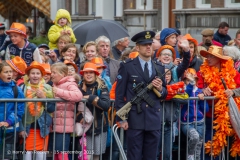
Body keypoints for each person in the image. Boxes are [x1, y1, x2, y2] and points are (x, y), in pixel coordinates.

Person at [115, 30, 168, 160]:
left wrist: (160, 88)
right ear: (137, 47)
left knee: (151, 156)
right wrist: (122, 119)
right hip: (135, 118)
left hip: (153, 119)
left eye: (150, 44)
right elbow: (119, 94)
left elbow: (165, 93)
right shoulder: (127, 66)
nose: (148, 47)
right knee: (134, 156)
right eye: (145, 45)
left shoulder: (159, 67)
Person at [197, 45, 240, 159]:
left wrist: (233, 92)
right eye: (207, 56)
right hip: (210, 116)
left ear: (220, 58)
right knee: (210, 146)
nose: (208, 59)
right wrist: (202, 90)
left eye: (211, 56)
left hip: (230, 116)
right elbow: (195, 88)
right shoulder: (202, 72)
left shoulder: (233, 72)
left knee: (229, 148)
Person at [18, 61, 54, 160]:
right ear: (28, 75)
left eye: (38, 73)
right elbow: (18, 110)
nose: (35, 76)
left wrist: (43, 98)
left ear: (41, 75)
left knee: (40, 156)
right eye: (33, 73)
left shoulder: (47, 88)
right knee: (27, 155)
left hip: (42, 127)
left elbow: (51, 108)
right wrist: (21, 128)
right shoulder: (22, 88)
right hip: (27, 128)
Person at [48, 62, 82, 160]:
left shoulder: (69, 83)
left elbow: (78, 95)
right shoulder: (54, 84)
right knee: (56, 152)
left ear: (63, 74)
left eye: (54, 72)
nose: (51, 75)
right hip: (54, 124)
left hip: (63, 125)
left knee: (62, 152)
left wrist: (58, 92)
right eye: (51, 72)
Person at [79, 62, 110, 160]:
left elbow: (105, 105)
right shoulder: (79, 87)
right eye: (86, 72)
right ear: (83, 74)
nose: (88, 75)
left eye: (91, 72)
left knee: (97, 155)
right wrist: (80, 117)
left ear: (96, 74)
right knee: (87, 156)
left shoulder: (102, 86)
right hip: (85, 129)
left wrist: (91, 97)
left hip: (100, 127)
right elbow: (74, 106)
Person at [181, 68, 208, 160]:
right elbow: (188, 90)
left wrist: (202, 100)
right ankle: (190, 154)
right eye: (188, 80)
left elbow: (206, 109)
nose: (191, 81)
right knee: (194, 137)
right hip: (187, 122)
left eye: (193, 79)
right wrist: (191, 82)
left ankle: (193, 156)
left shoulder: (200, 91)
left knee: (198, 148)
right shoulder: (183, 91)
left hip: (200, 122)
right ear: (184, 81)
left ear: (197, 80)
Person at [0, 61, 25, 159]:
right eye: (6, 72)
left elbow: (19, 109)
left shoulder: (16, 89)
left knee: (7, 156)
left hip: (9, 130)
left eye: (10, 71)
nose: (9, 74)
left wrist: (8, 122)